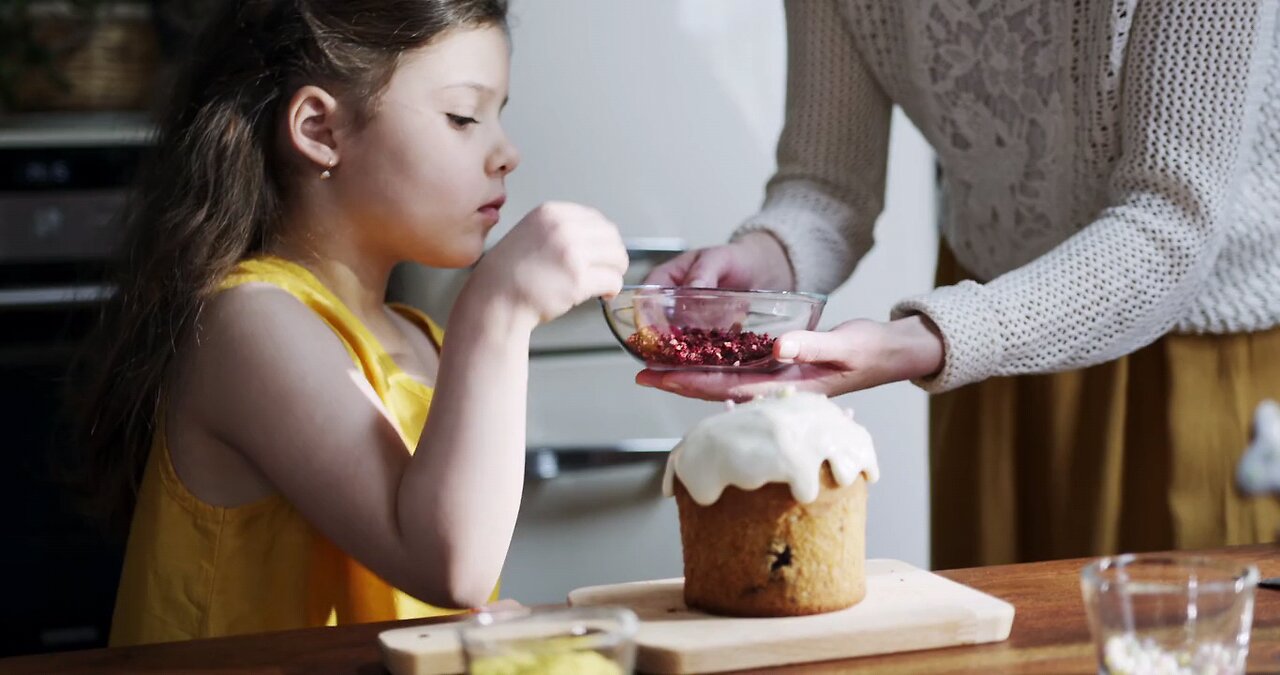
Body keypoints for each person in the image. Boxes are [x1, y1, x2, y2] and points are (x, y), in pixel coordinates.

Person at [646, 0, 1280, 569]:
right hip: (981, 365)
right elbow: (827, 182)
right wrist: (763, 257)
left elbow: (1169, 221)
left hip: (1191, 351)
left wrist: (919, 342)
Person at [71, 0, 628, 645]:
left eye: (498, 117)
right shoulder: (247, 324)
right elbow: (446, 566)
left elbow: (428, 601)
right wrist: (497, 308)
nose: (507, 153)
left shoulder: (418, 337)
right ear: (320, 130)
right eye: (463, 117)